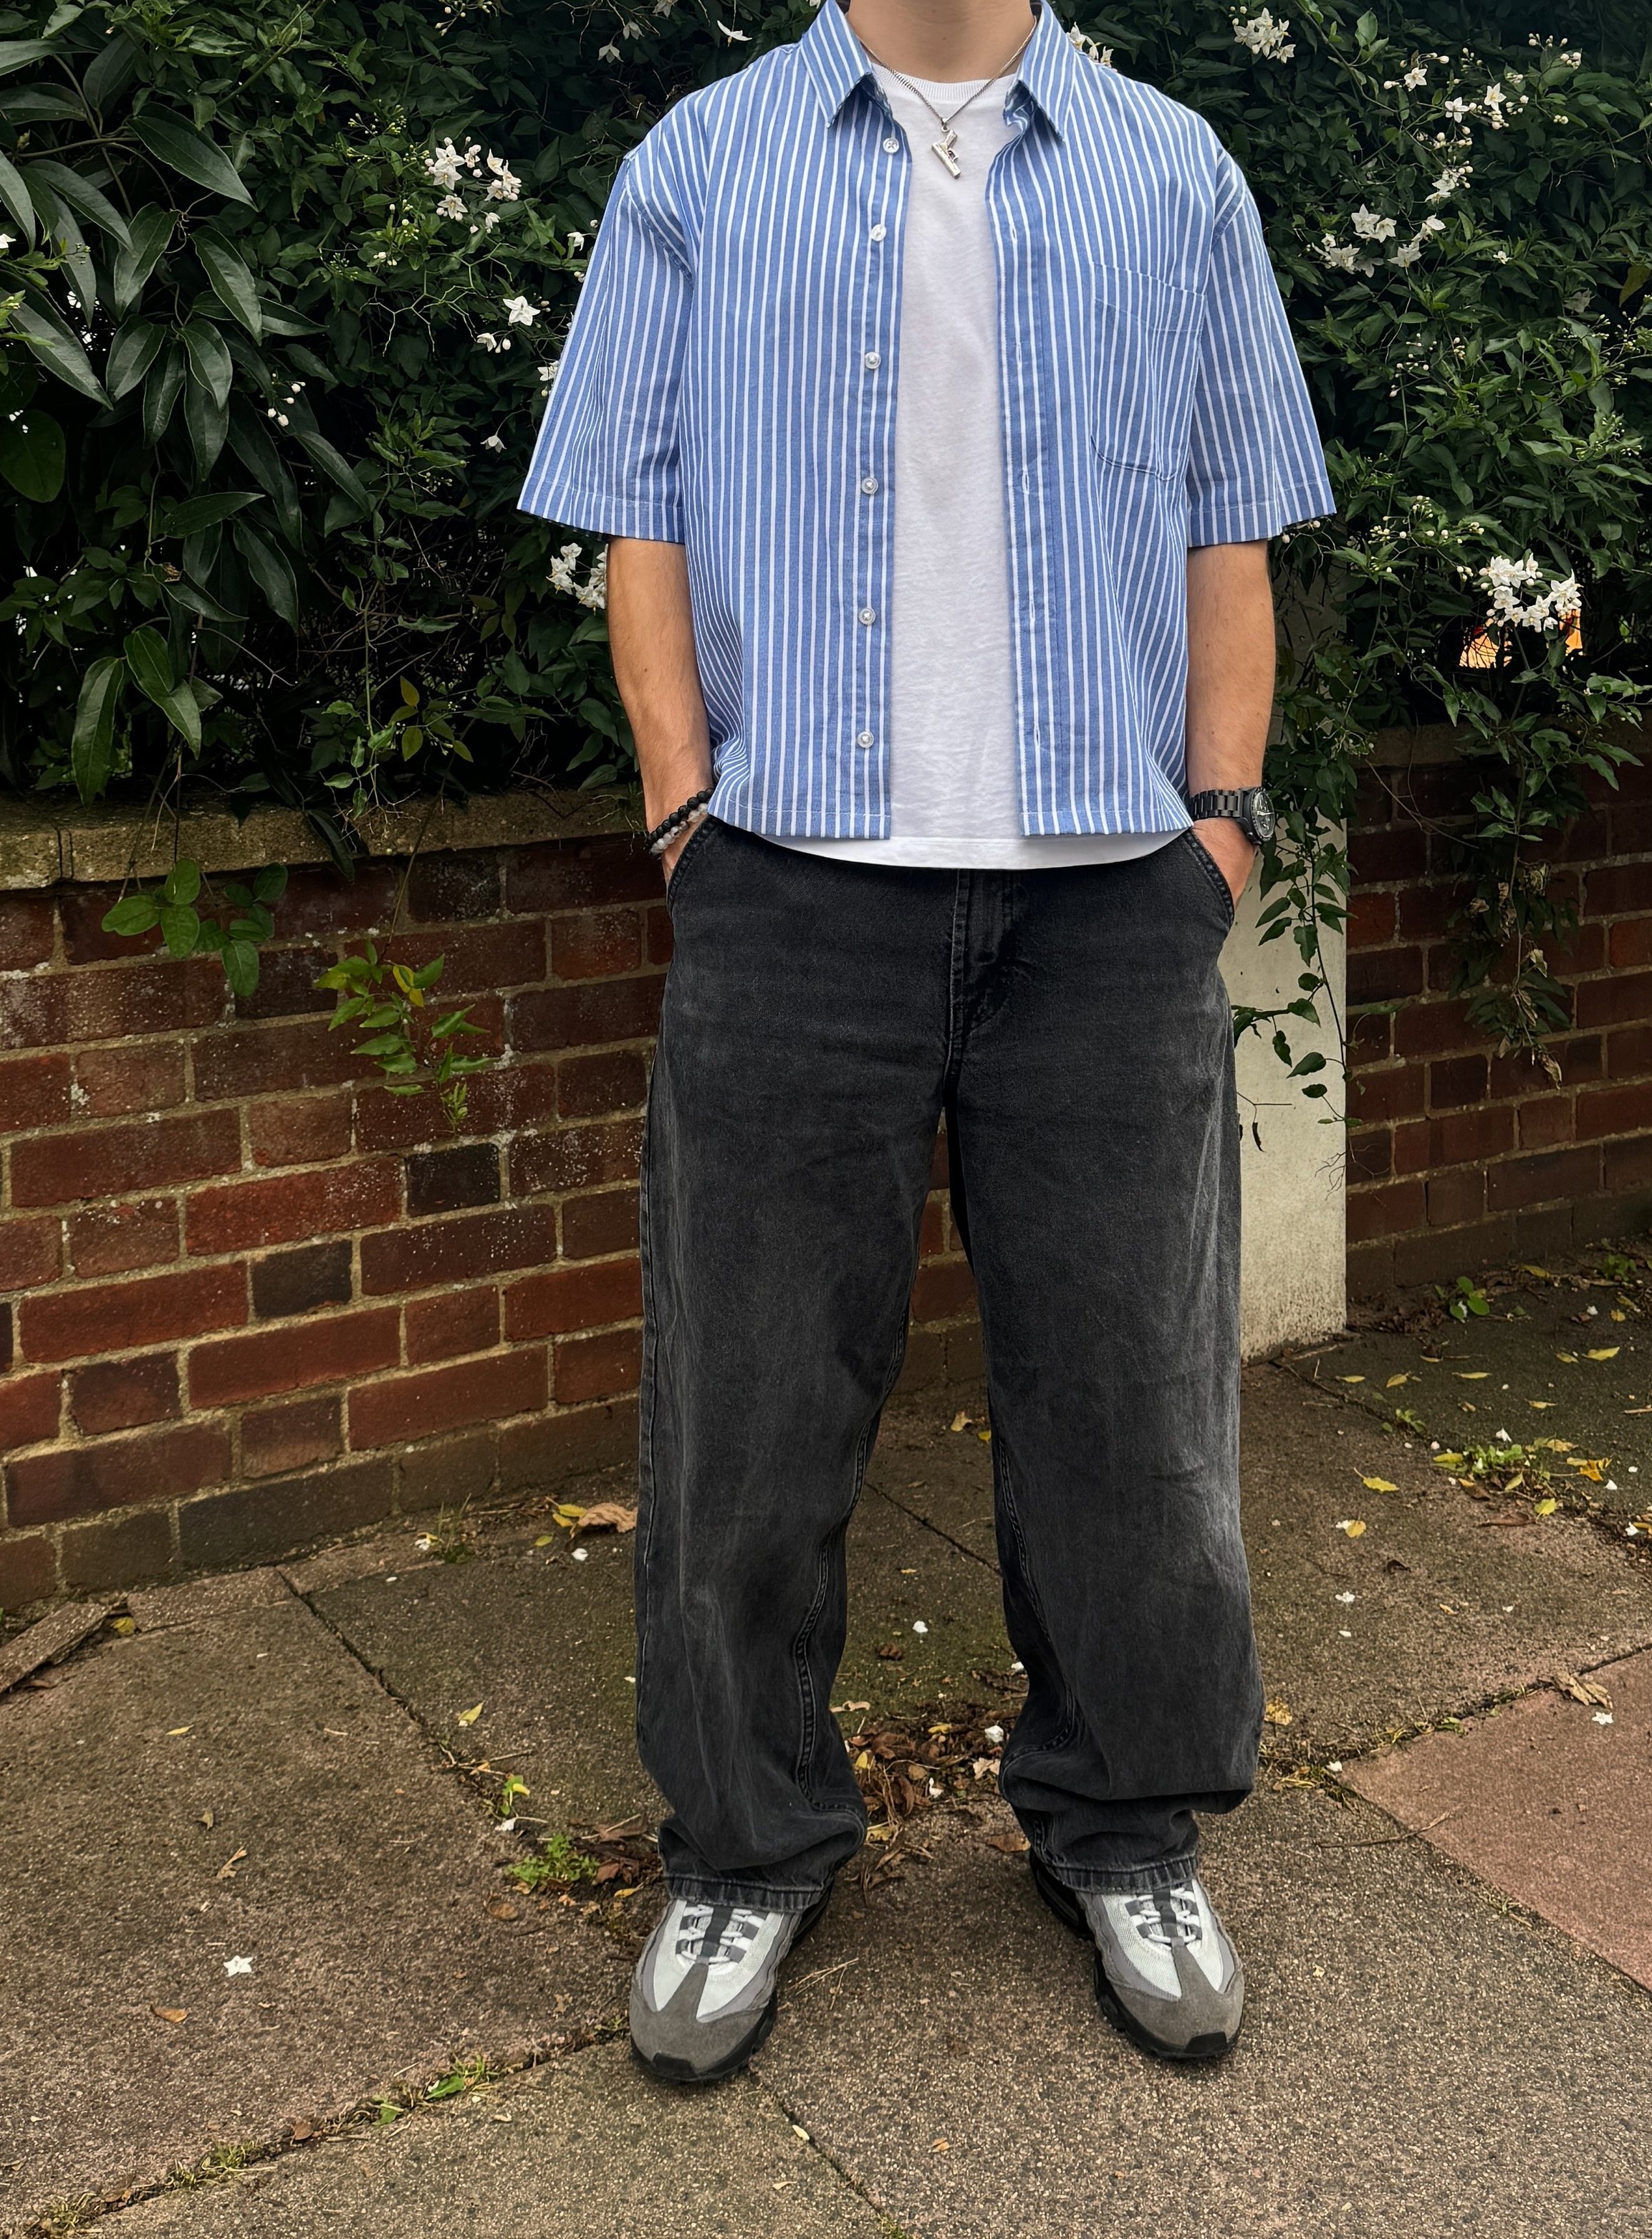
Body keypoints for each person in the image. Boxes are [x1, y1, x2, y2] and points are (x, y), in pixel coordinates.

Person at [521, 0, 1332, 2082]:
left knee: (1135, 1413)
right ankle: (743, 1841)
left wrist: (1221, 822)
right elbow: (638, 513)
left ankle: (1124, 1823)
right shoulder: (703, 164)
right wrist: (682, 805)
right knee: (745, 1414)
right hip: (793, 884)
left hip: (1110, 899)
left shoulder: (1172, 170)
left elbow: (1229, 517)